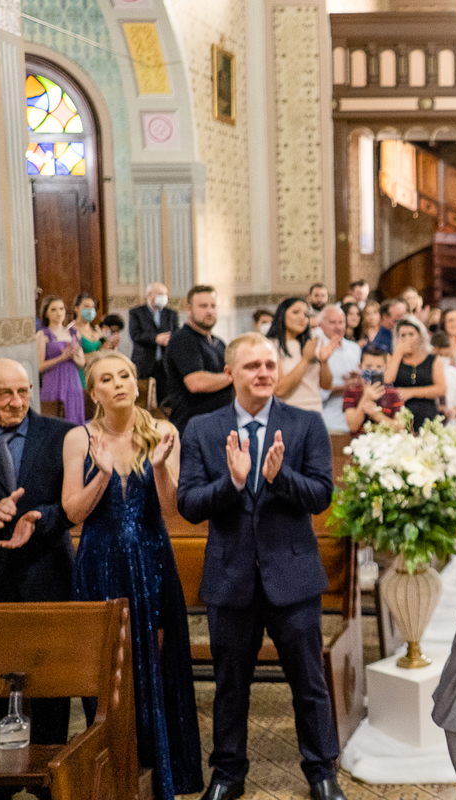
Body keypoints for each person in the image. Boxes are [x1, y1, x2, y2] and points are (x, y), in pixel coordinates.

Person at [178, 333, 346, 800]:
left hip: (291, 578)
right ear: (230, 373)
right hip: (230, 578)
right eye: (253, 366)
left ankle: (321, 771)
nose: (265, 373)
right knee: (230, 686)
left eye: (270, 364)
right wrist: (231, 483)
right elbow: (189, 503)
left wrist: (279, 476)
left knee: (309, 684)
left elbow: (321, 495)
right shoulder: (203, 430)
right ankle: (228, 773)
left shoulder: (305, 425)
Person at [63, 353, 203, 800]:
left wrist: (160, 465)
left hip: (152, 561)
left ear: (136, 384)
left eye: (124, 375)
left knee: (156, 665)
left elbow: (171, 509)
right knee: (109, 671)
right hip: (99, 562)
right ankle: (113, 768)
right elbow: (73, 511)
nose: (119, 383)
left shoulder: (163, 432)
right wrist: (102, 475)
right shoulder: (78, 437)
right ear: (94, 392)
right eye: (107, 378)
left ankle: (161, 768)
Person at [0, 359, 77, 762]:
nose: (16, 401)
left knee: (52, 679)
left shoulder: (61, 435)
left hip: (47, 568)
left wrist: (43, 519)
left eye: (23, 391)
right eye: (4, 394)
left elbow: (73, 504)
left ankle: (49, 765)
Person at [164, 286, 234, 433]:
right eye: (203, 306)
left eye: (213, 306)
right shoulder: (182, 339)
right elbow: (196, 382)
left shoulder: (219, 343)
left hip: (220, 426)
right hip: (192, 428)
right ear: (188, 308)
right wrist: (234, 376)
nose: (209, 311)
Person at [266, 297, 338, 414]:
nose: (302, 317)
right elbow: (280, 391)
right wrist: (305, 360)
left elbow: (326, 386)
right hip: (288, 413)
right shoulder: (271, 346)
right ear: (282, 314)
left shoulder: (308, 345)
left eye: (306, 314)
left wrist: (324, 362)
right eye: (295, 312)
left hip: (315, 411)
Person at [385, 315, 445, 428]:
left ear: (420, 336)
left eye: (411, 334)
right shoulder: (392, 359)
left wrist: (411, 392)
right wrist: (398, 353)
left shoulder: (433, 359)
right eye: (403, 335)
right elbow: (387, 381)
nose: (407, 338)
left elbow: (441, 389)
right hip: (400, 417)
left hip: (427, 416)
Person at [36, 295, 85, 424]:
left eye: (61, 309)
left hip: (73, 381)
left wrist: (73, 356)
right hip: (53, 381)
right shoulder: (43, 334)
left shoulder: (74, 333)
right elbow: (40, 366)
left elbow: (82, 363)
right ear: (46, 313)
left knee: (74, 418)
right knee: (55, 420)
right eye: (53, 309)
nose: (59, 313)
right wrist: (62, 358)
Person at [130, 283, 179, 406]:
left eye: (165, 295)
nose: (164, 297)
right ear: (150, 295)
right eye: (160, 294)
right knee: (142, 400)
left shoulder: (171, 314)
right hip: (144, 362)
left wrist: (170, 339)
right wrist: (155, 338)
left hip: (165, 363)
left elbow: (177, 333)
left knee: (166, 401)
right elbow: (135, 335)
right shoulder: (136, 313)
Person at [317, 305, 363, 433]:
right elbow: (316, 392)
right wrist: (346, 387)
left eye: (341, 322)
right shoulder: (316, 350)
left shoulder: (355, 348)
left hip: (356, 417)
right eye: (332, 322)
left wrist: (360, 380)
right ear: (321, 324)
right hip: (328, 418)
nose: (338, 327)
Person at [343, 345, 403, 435]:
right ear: (360, 366)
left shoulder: (393, 394)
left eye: (379, 367)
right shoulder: (352, 391)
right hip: (359, 445)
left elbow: (400, 428)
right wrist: (366, 398)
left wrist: (378, 416)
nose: (373, 370)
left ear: (385, 368)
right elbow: (353, 426)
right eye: (368, 366)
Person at [71, 294, 105, 384]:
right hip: (81, 374)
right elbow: (74, 356)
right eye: (86, 306)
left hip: (97, 372)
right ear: (76, 309)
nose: (90, 310)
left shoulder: (96, 329)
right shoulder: (72, 330)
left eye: (92, 307)